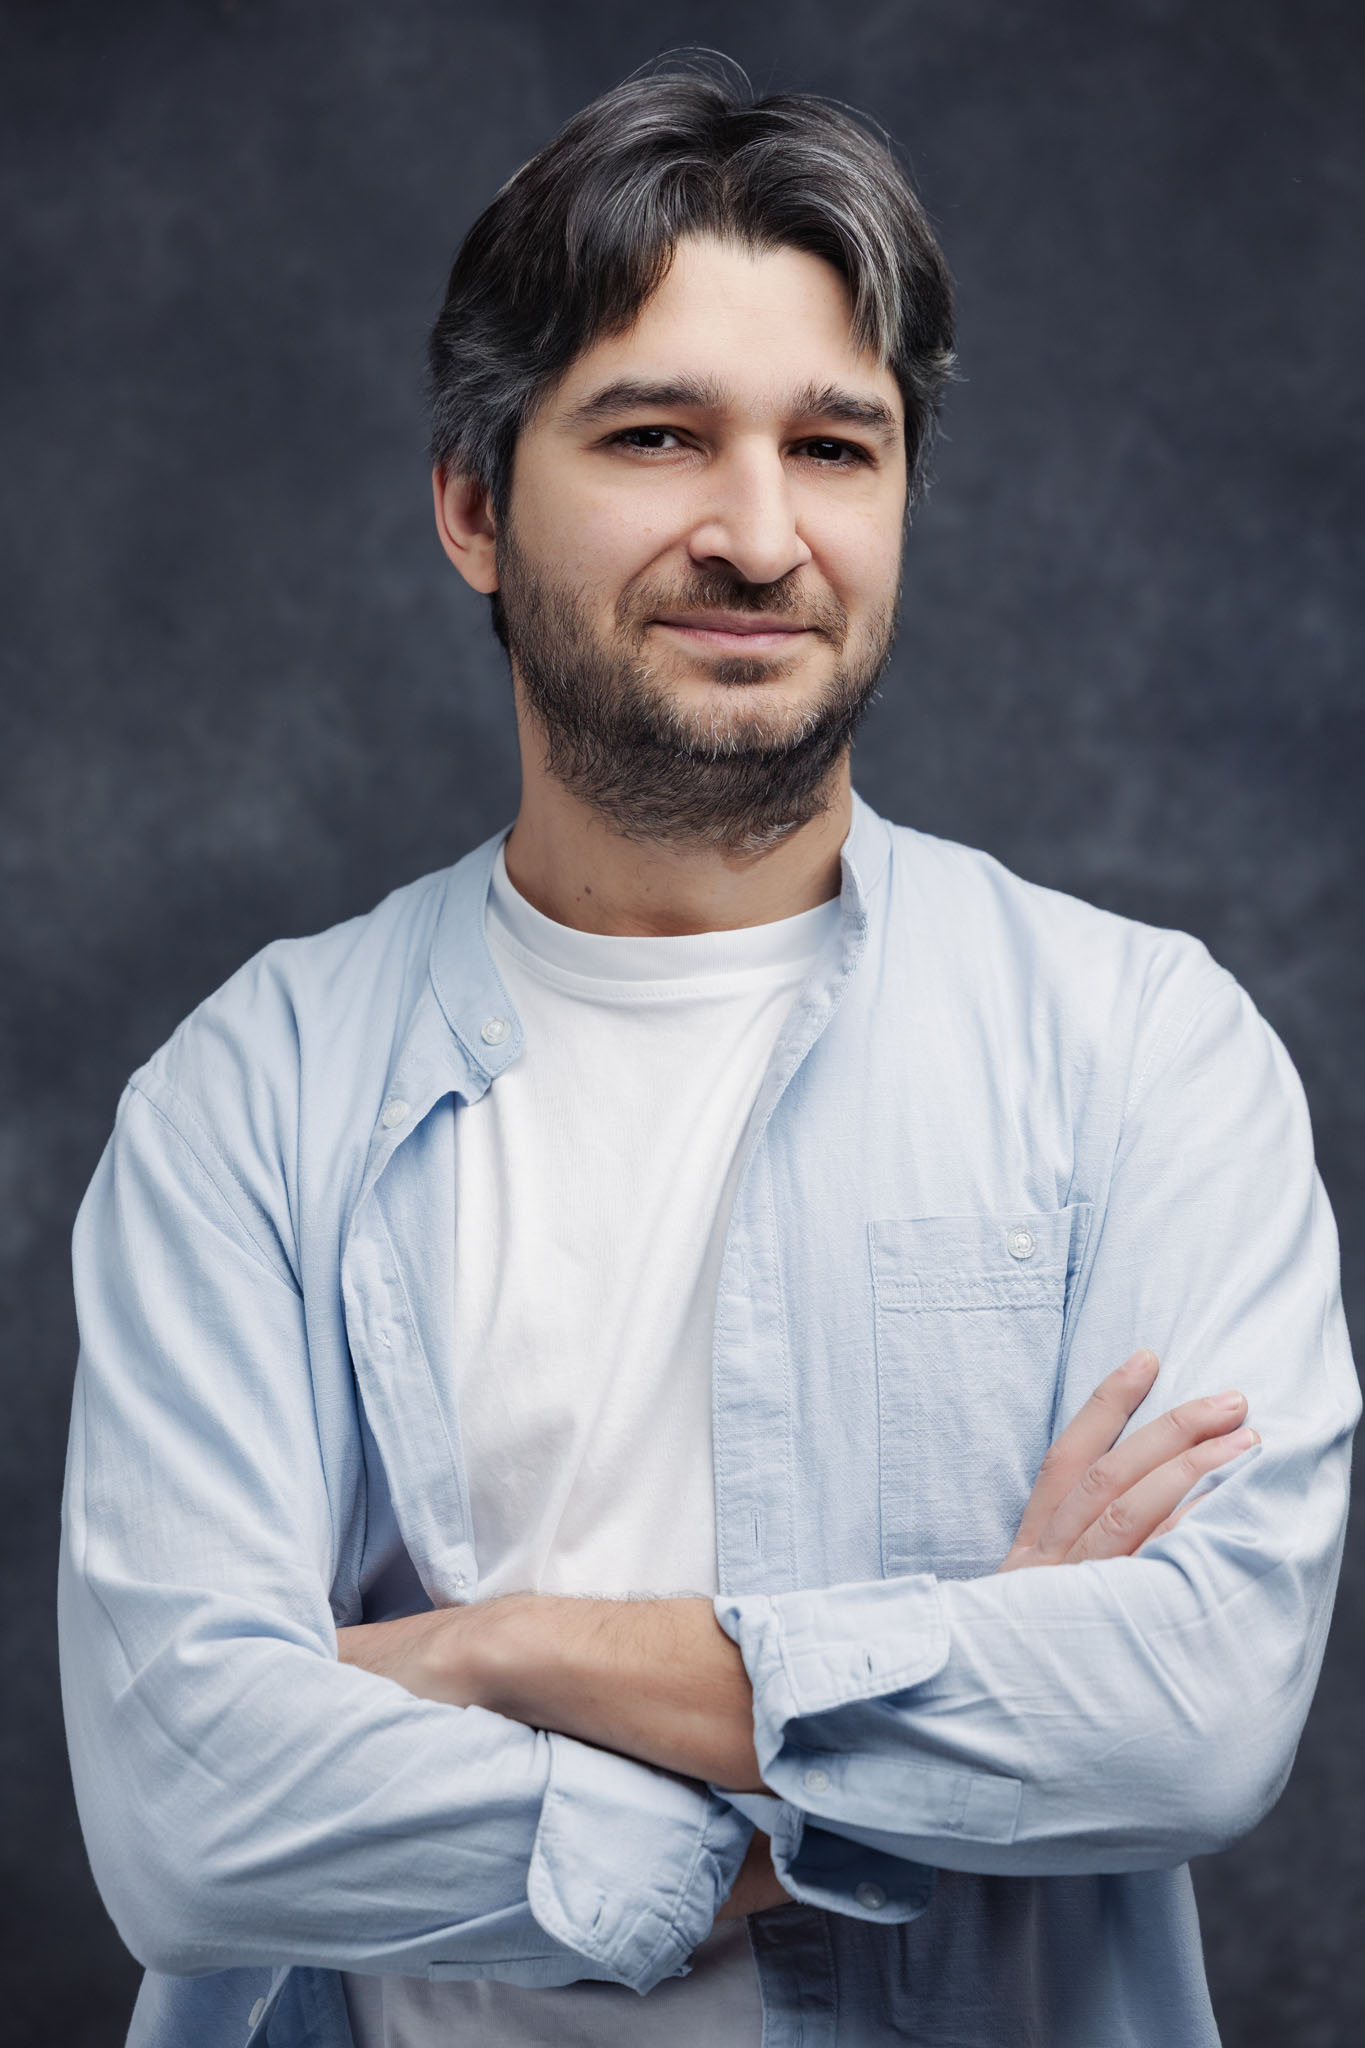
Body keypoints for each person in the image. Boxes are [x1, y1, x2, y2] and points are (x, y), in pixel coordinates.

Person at [59, 58, 1357, 2048]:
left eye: (832, 447)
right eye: (657, 435)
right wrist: (906, 1748)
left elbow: (1187, 1717)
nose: (757, 536)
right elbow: (191, 1821)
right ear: (474, 506)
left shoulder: (1138, 1055)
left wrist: (490, 1650)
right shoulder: (247, 1099)